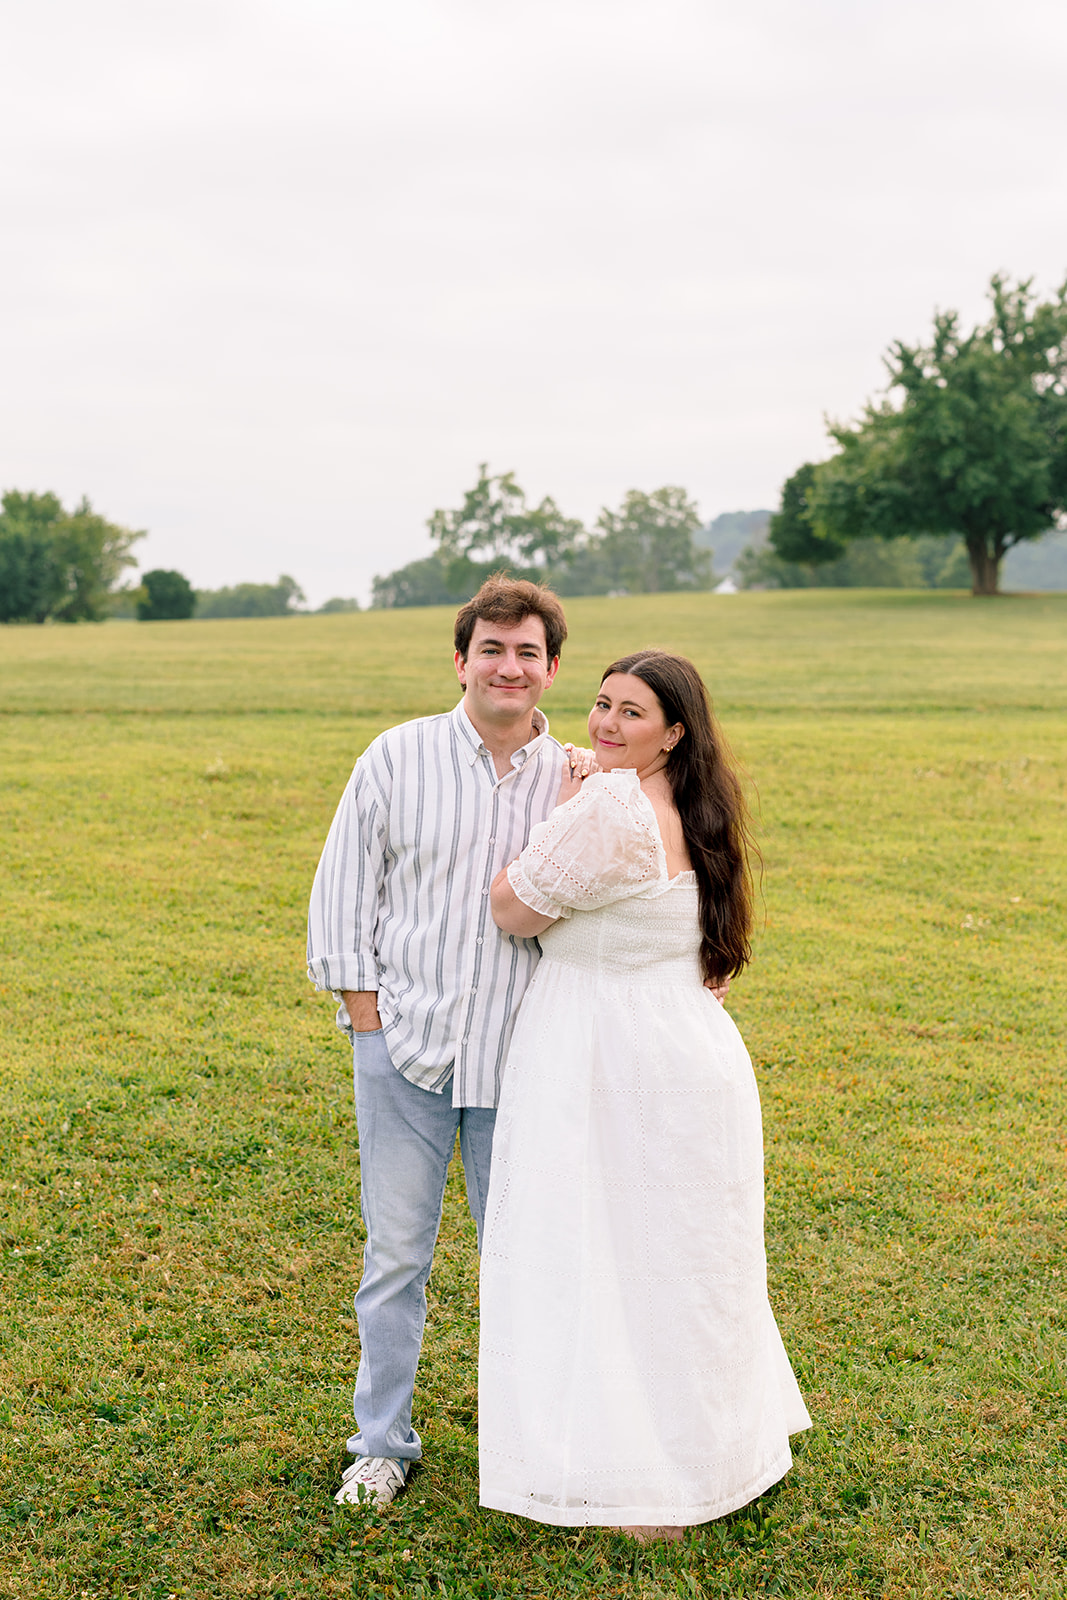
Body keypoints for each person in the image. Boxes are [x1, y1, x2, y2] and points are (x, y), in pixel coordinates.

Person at [479, 649, 811, 1538]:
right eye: (600, 705)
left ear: (673, 733)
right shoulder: (695, 807)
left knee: (604, 1253)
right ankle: (701, 1451)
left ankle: (636, 1476)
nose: (605, 726)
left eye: (631, 714)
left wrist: (570, 801)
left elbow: (512, 907)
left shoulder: (612, 805)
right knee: (682, 1261)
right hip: (689, 1053)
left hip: (601, 1056)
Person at [307, 575, 580, 1507]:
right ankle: (380, 1443)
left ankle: (532, 1444)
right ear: (462, 661)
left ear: (549, 670)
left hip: (522, 1064)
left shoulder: (579, 779)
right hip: (406, 1053)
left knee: (525, 1261)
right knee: (395, 1260)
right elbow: (345, 894)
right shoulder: (395, 756)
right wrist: (370, 1024)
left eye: (528, 653)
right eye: (492, 649)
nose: (510, 667)